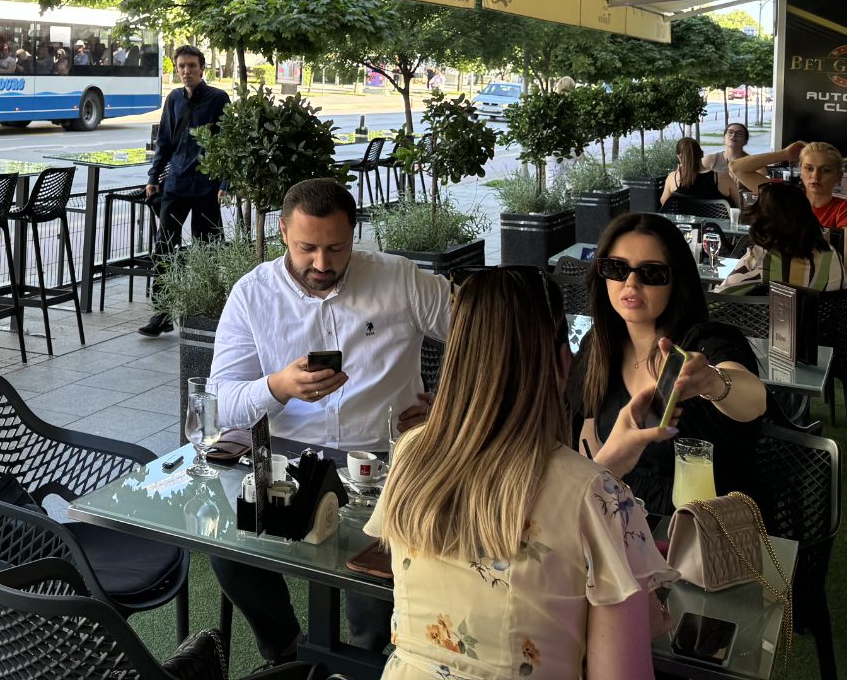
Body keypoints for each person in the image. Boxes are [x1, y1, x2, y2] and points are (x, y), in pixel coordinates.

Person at [368, 269, 677, 680]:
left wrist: (603, 472)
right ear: (562, 360)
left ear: (457, 354)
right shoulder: (597, 498)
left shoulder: (411, 454)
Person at [207, 177, 449, 661]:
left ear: (354, 234)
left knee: (376, 581)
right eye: (307, 248)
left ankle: (361, 660)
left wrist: (450, 402)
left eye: (336, 248)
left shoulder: (401, 279)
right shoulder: (253, 294)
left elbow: (488, 336)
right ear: (282, 232)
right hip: (286, 463)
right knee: (229, 554)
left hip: (385, 461)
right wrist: (277, 386)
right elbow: (221, 402)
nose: (321, 264)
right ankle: (288, 654)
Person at [574, 214, 768, 516]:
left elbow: (754, 400)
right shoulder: (598, 347)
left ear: (676, 280)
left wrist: (712, 382)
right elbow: (589, 440)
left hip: (711, 524)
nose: (631, 282)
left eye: (651, 273)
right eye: (616, 268)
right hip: (624, 519)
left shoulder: (705, 341)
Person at [138, 45, 231, 336]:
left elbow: (227, 143)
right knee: (164, 249)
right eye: (181, 66)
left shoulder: (218, 98)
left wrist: (224, 183)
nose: (186, 71)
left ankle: (208, 310)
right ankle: (162, 313)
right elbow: (164, 142)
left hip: (206, 186)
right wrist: (153, 176)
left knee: (208, 248)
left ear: (202, 68)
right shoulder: (174, 98)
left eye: (191, 65)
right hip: (176, 184)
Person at [730, 138, 847, 273]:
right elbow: (737, 168)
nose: (815, 176)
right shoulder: (787, 197)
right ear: (800, 171)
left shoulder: (845, 209)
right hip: (779, 274)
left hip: (820, 279)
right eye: (809, 168)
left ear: (838, 176)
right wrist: (784, 154)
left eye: (826, 170)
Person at [719, 180, 847, 294]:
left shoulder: (765, 261)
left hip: (771, 315)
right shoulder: (832, 256)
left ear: (765, 220)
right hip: (821, 315)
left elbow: (719, 298)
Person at [658, 136, 737, 209]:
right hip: (715, 220)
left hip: (683, 220)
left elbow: (664, 203)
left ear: (679, 157)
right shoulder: (722, 178)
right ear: (702, 154)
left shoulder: (673, 178)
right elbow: (739, 205)